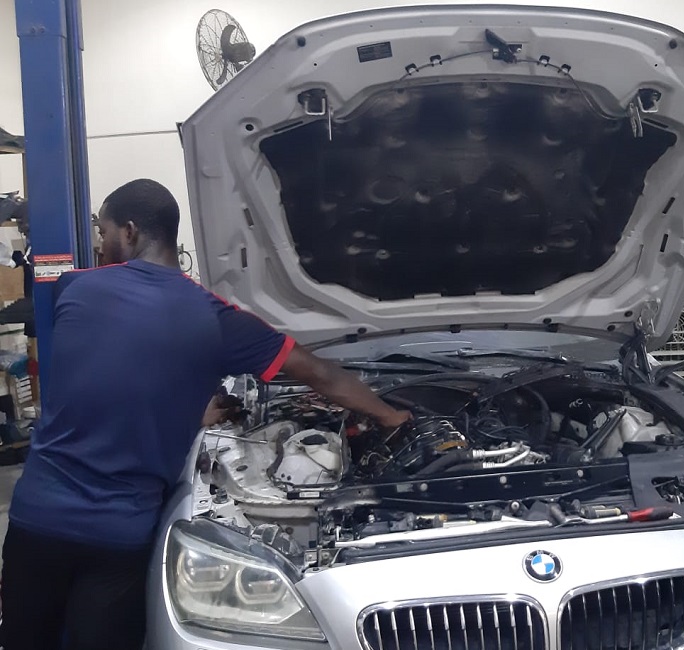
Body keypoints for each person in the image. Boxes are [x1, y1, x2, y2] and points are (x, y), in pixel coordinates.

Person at [0, 179, 410, 650]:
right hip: (118, 535)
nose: (102, 244)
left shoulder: (76, 288)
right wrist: (388, 417)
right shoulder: (216, 320)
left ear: (129, 232)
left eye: (105, 232)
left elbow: (112, 378)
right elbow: (320, 374)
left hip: (39, 518)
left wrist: (190, 414)